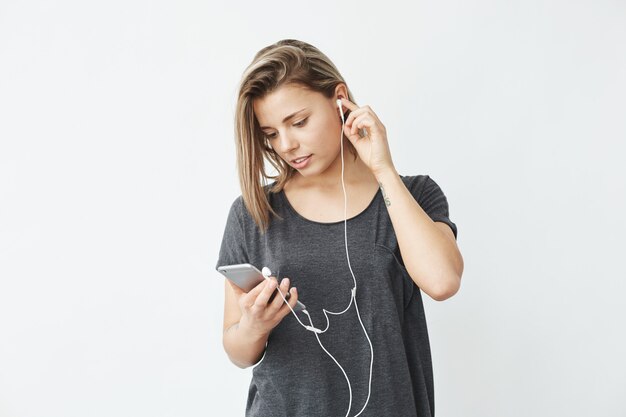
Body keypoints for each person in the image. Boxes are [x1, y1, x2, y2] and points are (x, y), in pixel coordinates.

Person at [215, 38, 464, 417]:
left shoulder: (413, 195)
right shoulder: (253, 213)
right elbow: (237, 350)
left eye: (298, 122)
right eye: (271, 134)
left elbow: (443, 281)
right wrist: (253, 326)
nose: (286, 145)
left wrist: (382, 169)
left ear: (339, 100)